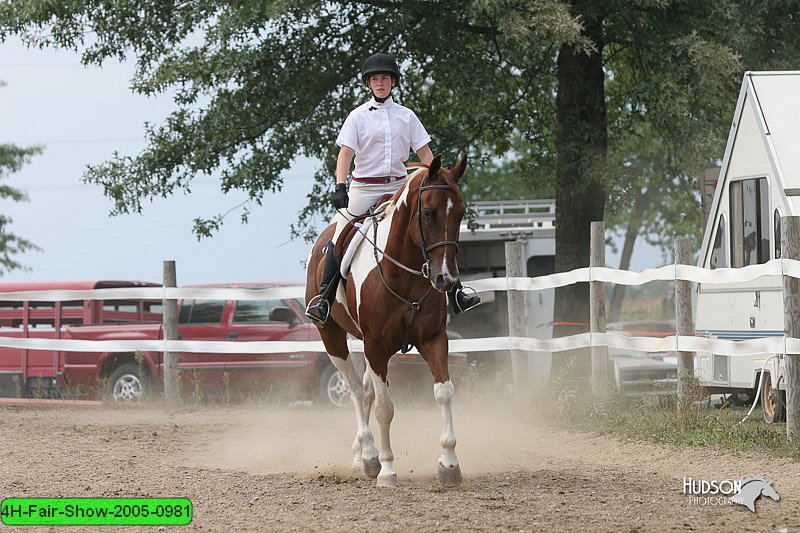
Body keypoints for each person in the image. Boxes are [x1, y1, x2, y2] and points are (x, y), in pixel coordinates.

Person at [305, 52, 480, 325]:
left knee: (435, 227)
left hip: (401, 186)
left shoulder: (407, 116)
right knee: (340, 235)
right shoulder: (357, 117)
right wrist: (340, 186)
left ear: (393, 82)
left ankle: (456, 292)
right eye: (375, 79)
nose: (380, 84)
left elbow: (424, 152)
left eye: (384, 79)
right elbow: (345, 155)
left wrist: (440, 179)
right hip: (365, 188)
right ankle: (324, 299)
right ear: (368, 84)